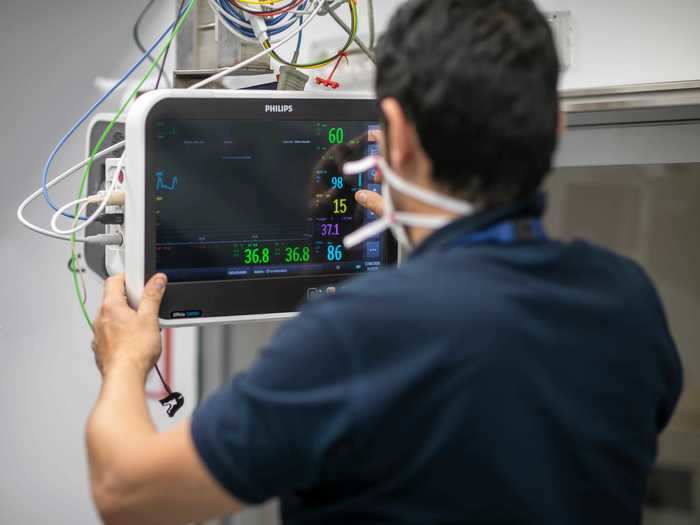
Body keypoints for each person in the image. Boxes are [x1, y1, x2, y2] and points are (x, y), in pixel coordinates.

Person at [86, 1, 683, 524]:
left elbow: (126, 492)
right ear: (554, 129)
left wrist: (125, 361)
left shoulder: (360, 334)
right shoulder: (626, 300)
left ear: (393, 134)